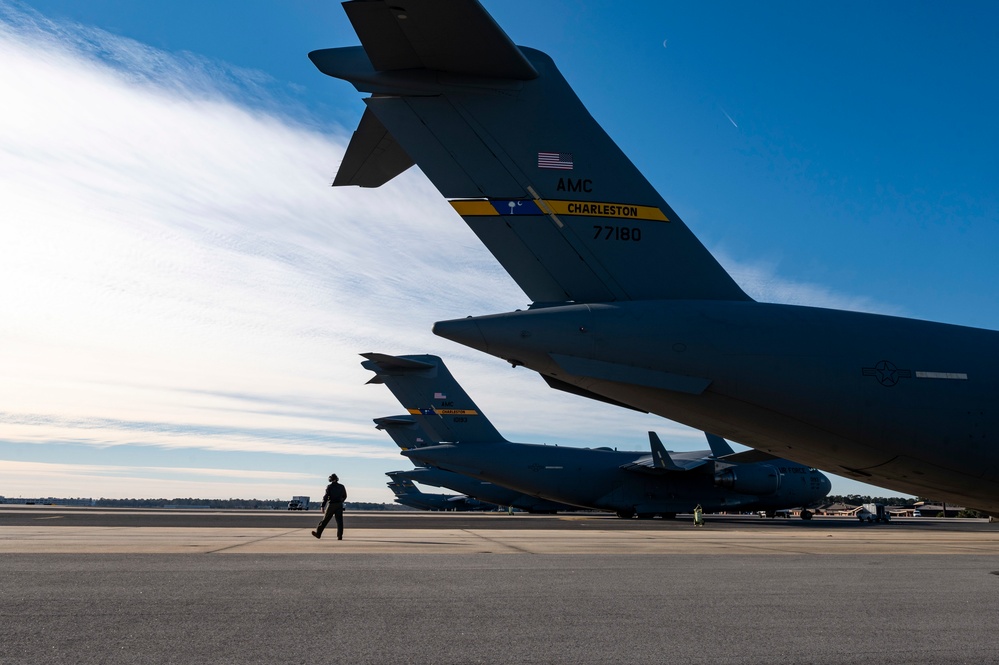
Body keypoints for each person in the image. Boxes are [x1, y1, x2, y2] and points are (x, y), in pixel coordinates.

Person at [312, 473, 347, 540]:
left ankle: (318, 533)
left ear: (331, 479)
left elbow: (326, 497)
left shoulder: (329, 487)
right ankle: (340, 536)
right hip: (339, 505)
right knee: (339, 521)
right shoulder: (341, 486)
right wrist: (340, 501)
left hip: (331, 505)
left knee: (325, 520)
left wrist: (322, 506)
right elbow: (345, 496)